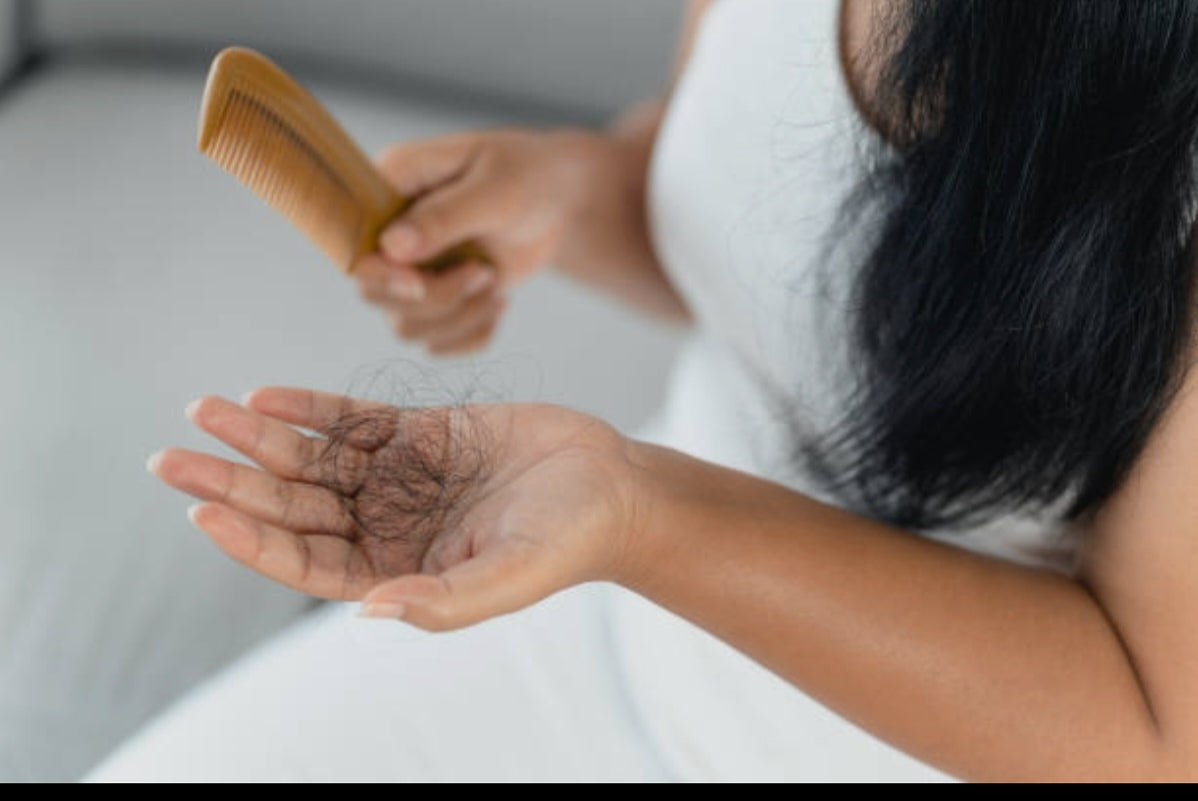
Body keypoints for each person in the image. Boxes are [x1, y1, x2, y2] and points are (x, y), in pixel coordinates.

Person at [91, 0, 1198, 781]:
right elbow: (774, 245)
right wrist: (571, 193)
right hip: (601, 620)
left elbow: (1152, 734)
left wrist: (644, 513)